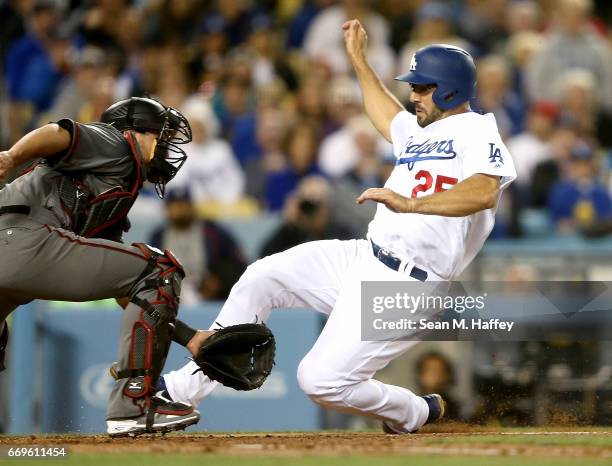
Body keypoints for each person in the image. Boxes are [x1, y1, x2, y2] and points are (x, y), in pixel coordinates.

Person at [160, 21, 516, 434]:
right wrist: (360, 62)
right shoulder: (423, 131)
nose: (413, 94)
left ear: (451, 89)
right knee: (261, 277)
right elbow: (387, 115)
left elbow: (484, 191)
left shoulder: (477, 130)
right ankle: (179, 393)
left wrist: (413, 203)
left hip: (409, 285)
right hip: (366, 256)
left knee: (318, 380)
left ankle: (411, 411)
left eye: (422, 87)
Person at [0, 97, 209, 436]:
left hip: (16, 245)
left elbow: (128, 290)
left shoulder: (117, 187)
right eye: (161, 135)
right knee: (160, 268)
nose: (167, 145)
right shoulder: (116, 143)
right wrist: (12, 155)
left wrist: (191, 339)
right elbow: (59, 132)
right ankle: (133, 406)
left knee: (150, 274)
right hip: (21, 238)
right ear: (134, 131)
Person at [149, 187, 247, 304]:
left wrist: (220, 282)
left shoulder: (212, 231)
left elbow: (238, 262)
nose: (180, 209)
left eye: (184, 204)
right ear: (167, 209)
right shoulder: (159, 236)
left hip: (208, 294)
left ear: (192, 206)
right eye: (175, 205)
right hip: (169, 294)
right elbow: (150, 270)